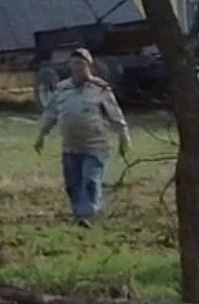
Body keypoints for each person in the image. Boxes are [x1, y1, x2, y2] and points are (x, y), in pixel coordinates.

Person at [34, 48, 132, 228]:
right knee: (73, 183)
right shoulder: (62, 89)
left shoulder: (100, 89)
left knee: (90, 180)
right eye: (76, 64)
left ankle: (86, 214)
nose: (79, 68)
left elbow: (115, 114)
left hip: (95, 146)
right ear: (70, 67)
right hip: (70, 147)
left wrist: (123, 137)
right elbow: (51, 113)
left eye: (83, 64)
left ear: (89, 66)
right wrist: (41, 135)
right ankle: (79, 212)